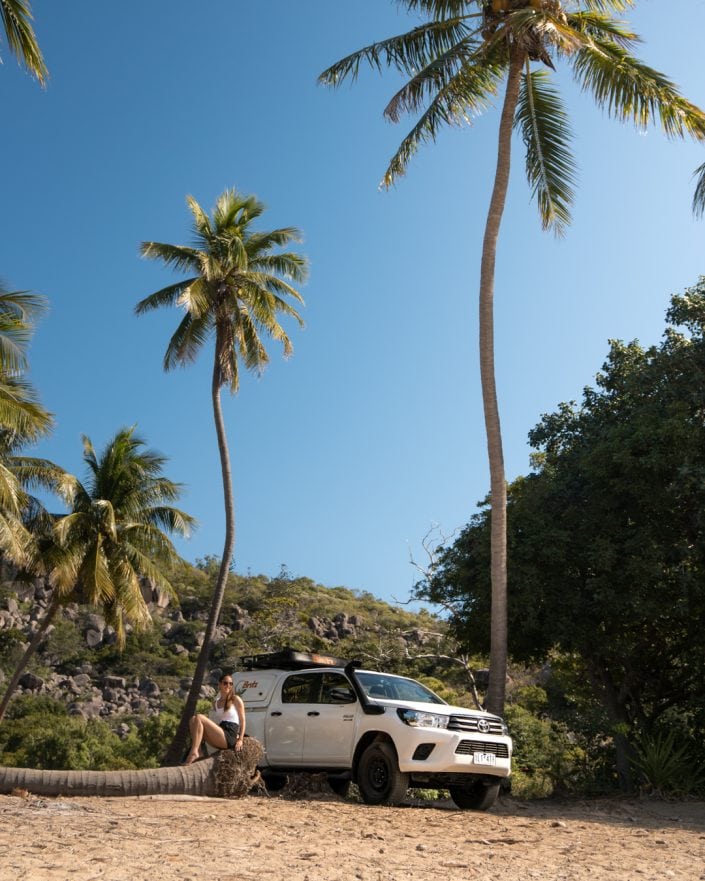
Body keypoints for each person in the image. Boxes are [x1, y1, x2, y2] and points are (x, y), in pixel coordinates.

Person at [183, 672, 246, 764]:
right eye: (225, 683)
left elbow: (243, 721)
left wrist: (240, 739)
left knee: (199, 717)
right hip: (221, 732)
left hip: (229, 736)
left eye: (230, 683)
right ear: (220, 684)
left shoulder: (236, 699)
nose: (228, 685)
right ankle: (199, 751)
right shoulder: (216, 703)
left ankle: (194, 752)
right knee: (193, 719)